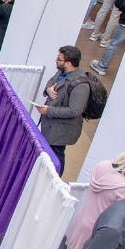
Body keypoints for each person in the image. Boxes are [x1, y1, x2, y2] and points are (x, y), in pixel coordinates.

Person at [36, 45, 91, 174]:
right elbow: (51, 82)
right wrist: (49, 89)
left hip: (62, 129)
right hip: (52, 124)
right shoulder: (62, 72)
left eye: (59, 59)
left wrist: (48, 110)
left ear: (68, 63)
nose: (56, 60)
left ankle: (55, 179)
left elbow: (74, 111)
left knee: (57, 155)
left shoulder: (81, 85)